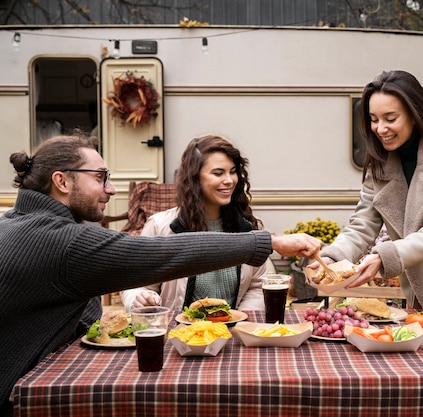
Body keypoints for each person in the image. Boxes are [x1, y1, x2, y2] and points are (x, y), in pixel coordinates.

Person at [0, 134, 321, 415]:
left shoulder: (14, 222)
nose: (111, 189)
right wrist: (271, 241)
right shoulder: (65, 241)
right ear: (62, 181)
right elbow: (167, 253)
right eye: (100, 177)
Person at [316, 70, 423, 310]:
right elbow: (363, 224)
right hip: (417, 285)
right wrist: (332, 257)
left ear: (414, 115)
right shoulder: (379, 162)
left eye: (390, 118)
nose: (380, 129)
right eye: (374, 119)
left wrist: (383, 256)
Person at [121, 135, 267, 312]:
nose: (229, 180)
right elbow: (136, 285)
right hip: (177, 333)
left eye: (233, 171)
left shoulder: (250, 228)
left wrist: (240, 319)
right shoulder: (160, 226)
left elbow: (257, 287)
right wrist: (138, 298)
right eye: (218, 173)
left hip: (233, 333)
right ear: (195, 178)